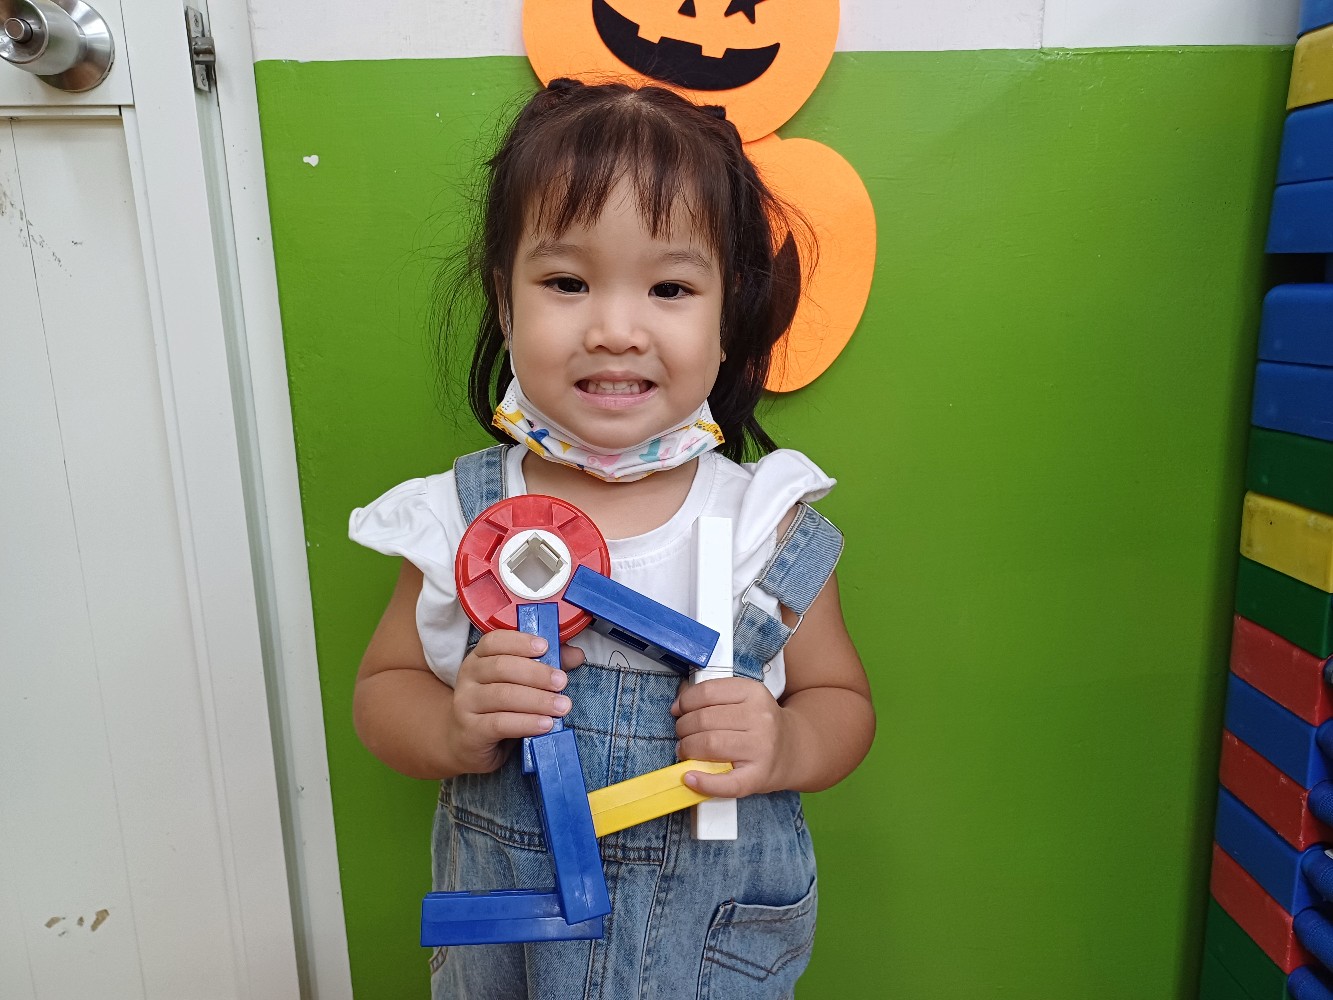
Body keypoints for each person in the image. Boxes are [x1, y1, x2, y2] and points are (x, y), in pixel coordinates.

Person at [349, 78, 875, 1000]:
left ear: (727, 320)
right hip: (513, 954)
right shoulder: (456, 518)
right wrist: (452, 725)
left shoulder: (765, 524)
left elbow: (841, 700)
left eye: (670, 288)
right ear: (505, 303)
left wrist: (786, 743)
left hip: (705, 959)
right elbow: (381, 690)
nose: (615, 330)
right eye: (566, 283)